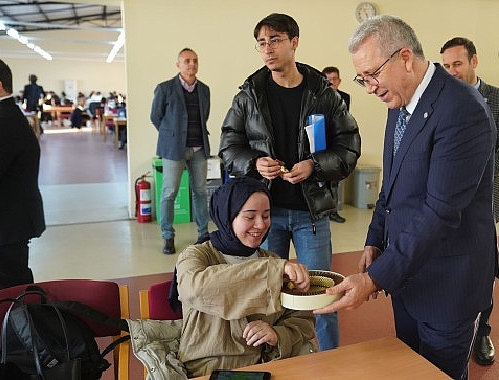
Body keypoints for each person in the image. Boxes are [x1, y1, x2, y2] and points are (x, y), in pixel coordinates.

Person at [315, 16, 499, 380]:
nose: (368, 88)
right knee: (410, 368)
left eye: (372, 75)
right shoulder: (401, 101)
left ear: (404, 57)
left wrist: (374, 280)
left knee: (438, 374)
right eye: (362, 78)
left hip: (448, 283)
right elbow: (392, 184)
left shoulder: (462, 110)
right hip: (409, 275)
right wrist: (374, 239)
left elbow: (440, 212)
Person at [219, 13, 361, 352]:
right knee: (268, 298)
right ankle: (275, 362)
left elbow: (349, 148)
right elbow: (227, 147)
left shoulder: (323, 95)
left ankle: (329, 364)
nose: (268, 49)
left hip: (310, 215)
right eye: (262, 43)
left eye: (276, 40)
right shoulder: (249, 95)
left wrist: (314, 165)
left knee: (322, 299)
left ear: (294, 42)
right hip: (264, 217)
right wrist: (254, 161)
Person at [175, 176, 317, 377]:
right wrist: (271, 272)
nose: (260, 225)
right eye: (250, 217)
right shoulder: (196, 255)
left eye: (266, 216)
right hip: (207, 367)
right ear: (226, 216)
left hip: (264, 365)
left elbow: (302, 317)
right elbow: (196, 288)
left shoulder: (272, 261)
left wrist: (278, 334)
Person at [440, 36, 499, 366]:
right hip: (445, 203)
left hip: (484, 202)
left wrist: (478, 174)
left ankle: (482, 330)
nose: (451, 71)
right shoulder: (440, 98)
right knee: (449, 268)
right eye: (445, 66)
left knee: (483, 270)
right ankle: (449, 325)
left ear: (474, 61)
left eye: (457, 64)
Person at [151, 48, 211, 254]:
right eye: (187, 61)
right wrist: (171, 136)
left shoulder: (204, 90)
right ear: (178, 64)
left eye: (195, 60)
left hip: (199, 149)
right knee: (169, 193)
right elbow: (155, 117)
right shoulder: (165, 88)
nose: (191, 64)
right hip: (173, 149)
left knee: (201, 192)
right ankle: (168, 236)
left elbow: (205, 117)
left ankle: (204, 235)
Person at [0, 56, 46, 290]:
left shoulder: (3, 121)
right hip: (9, 222)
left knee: (11, 293)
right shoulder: (6, 116)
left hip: (6, 224)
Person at [321, 66, 351, 224]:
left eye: (334, 79)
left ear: (339, 81)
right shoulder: (317, 98)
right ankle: (323, 210)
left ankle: (333, 210)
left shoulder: (345, 97)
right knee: (323, 179)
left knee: (335, 180)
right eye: (328, 80)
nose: (331, 82)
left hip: (337, 145)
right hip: (322, 145)